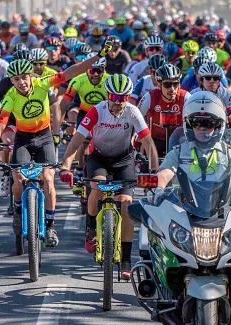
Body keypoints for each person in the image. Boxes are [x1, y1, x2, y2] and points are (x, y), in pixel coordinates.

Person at [0, 53, 104, 248]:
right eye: (16, 79)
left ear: (31, 75)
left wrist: (96, 59)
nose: (22, 82)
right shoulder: (9, 98)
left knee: (48, 179)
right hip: (23, 139)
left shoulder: (43, 83)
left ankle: (50, 226)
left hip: (44, 137)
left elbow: (70, 72)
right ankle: (17, 210)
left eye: (24, 77)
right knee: (17, 177)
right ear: (11, 81)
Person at [60, 74, 158, 277]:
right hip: (99, 158)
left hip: (124, 160)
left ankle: (126, 259)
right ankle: (90, 228)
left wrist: (154, 173)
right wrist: (65, 166)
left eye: (123, 98)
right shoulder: (97, 111)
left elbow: (148, 143)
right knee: (96, 188)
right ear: (107, 95)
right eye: (114, 97)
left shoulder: (133, 112)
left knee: (126, 202)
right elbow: (77, 140)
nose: (118, 102)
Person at [155, 90, 231, 189]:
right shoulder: (178, 153)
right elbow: (164, 174)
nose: (202, 128)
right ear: (189, 125)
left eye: (208, 123)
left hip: (223, 205)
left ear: (218, 126)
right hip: (182, 205)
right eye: (196, 122)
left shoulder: (230, 154)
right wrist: (159, 188)